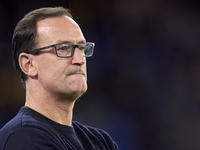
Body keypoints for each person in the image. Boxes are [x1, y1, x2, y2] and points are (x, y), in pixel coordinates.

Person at [0, 7, 118, 150]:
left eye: (81, 48)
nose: (79, 59)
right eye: (63, 48)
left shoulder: (100, 141)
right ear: (29, 64)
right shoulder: (23, 138)